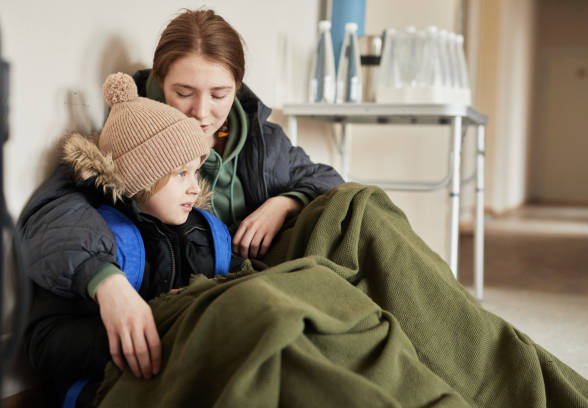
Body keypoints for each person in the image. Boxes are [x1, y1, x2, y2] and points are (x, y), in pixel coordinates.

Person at [17, 7, 343, 390]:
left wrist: (285, 202)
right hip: (188, 318)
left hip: (242, 277)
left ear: (237, 87)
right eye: (183, 93)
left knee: (363, 208)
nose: (202, 113)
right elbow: (53, 213)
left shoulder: (262, 141)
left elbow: (329, 182)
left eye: (220, 94)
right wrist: (110, 284)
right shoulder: (129, 146)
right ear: (160, 82)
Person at [25, 72, 244, 407]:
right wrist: (137, 336)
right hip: (105, 385)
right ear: (141, 180)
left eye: (196, 172)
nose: (193, 186)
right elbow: (44, 342)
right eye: (180, 174)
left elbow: (243, 283)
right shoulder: (101, 238)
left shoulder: (208, 232)